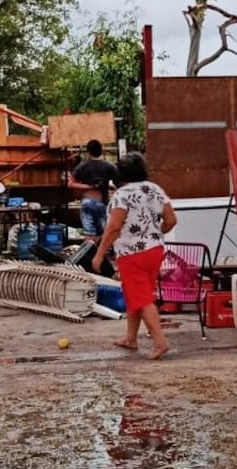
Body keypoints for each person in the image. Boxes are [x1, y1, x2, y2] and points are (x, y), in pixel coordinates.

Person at [92, 151, 176, 360]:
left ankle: (160, 342)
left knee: (141, 297)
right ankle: (130, 337)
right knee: (136, 294)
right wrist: (155, 234)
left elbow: (113, 227)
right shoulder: (156, 190)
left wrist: (99, 254)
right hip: (155, 250)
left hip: (131, 253)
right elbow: (171, 220)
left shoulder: (122, 194)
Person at [67, 139, 119, 240]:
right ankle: (102, 254)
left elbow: (71, 184)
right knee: (103, 233)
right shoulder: (109, 166)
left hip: (87, 201)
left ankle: (89, 254)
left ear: (89, 152)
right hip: (102, 202)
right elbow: (119, 185)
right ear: (101, 150)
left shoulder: (83, 166)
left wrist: (89, 186)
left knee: (89, 234)